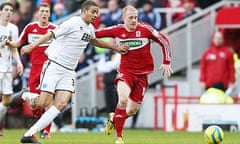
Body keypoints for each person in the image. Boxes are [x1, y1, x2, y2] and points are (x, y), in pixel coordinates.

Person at [5, 1, 128, 143]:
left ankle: (28, 135)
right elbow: (51, 34)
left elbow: (95, 41)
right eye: (93, 12)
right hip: (55, 66)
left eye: (97, 12)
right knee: (42, 103)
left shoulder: (89, 28)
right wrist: (32, 45)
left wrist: (116, 48)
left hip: (69, 71)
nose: (96, 15)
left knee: (61, 104)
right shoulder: (73, 22)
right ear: (84, 11)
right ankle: (25, 94)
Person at [95, 5, 173, 144]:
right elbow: (96, 33)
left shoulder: (145, 29)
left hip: (142, 75)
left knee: (131, 111)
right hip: (126, 72)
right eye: (130, 18)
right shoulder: (117, 30)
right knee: (123, 100)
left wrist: (166, 61)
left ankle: (114, 118)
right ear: (123, 18)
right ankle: (119, 137)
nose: (134, 20)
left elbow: (163, 40)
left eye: (136, 17)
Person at [5, 3, 57, 139]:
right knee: (35, 104)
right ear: (38, 13)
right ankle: (39, 124)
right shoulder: (30, 27)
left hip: (49, 68)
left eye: (47, 11)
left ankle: (46, 130)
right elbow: (18, 43)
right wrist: (9, 43)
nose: (44, 13)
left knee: (47, 100)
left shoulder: (54, 29)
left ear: (49, 14)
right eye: (42, 11)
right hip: (34, 69)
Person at [0, 2, 23, 136]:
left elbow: (14, 48)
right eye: (6, 10)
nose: (9, 12)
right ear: (0, 12)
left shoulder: (13, 28)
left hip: (7, 67)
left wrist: (19, 62)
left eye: (11, 10)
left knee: (7, 100)